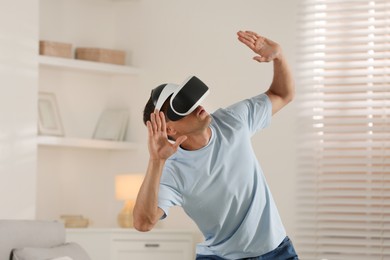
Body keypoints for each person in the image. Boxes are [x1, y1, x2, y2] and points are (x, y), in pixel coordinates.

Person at [133, 30, 298, 260]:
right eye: (182, 106)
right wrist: (156, 161)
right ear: (169, 129)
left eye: (190, 99)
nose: (197, 105)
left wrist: (279, 57)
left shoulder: (232, 121)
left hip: (276, 251)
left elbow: (283, 94)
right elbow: (143, 223)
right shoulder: (172, 171)